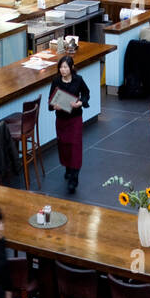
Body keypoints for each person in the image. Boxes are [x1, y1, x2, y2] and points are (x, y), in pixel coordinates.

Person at [48, 55, 90, 194]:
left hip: (75, 118)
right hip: (61, 119)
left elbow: (86, 93)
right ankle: (67, 167)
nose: (63, 70)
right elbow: (51, 101)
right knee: (64, 145)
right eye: (61, 67)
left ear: (71, 68)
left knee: (75, 146)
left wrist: (80, 103)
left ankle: (74, 178)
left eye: (65, 67)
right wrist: (55, 106)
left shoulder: (78, 80)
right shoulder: (56, 81)